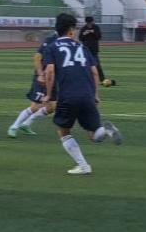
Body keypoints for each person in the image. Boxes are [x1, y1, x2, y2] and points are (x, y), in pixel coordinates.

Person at [42, 13, 122, 175]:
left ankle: (83, 166)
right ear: (71, 31)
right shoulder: (82, 48)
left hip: (68, 96)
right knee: (94, 134)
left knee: (63, 131)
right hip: (87, 95)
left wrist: (48, 95)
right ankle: (107, 131)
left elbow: (49, 72)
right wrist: (95, 95)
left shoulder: (52, 47)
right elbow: (94, 72)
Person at [8, 33, 57, 138]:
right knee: (35, 107)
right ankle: (14, 127)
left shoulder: (68, 42)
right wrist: (40, 74)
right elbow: (37, 57)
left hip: (54, 78)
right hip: (44, 77)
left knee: (52, 107)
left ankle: (26, 124)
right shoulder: (51, 40)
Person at [79, 16, 105, 81]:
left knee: (97, 64)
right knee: (85, 65)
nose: (90, 24)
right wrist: (84, 33)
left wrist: (93, 32)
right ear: (86, 22)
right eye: (88, 23)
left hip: (94, 49)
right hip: (85, 49)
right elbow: (80, 38)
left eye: (90, 23)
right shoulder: (83, 28)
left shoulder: (96, 27)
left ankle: (102, 79)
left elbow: (99, 37)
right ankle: (85, 78)